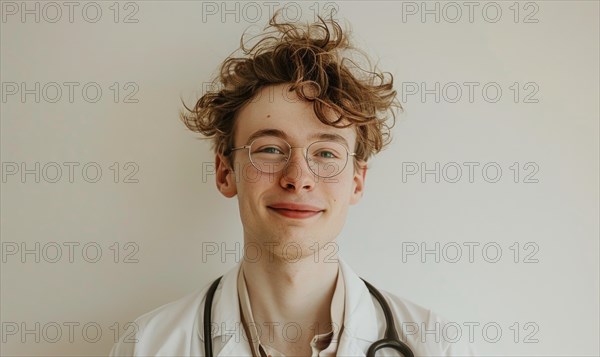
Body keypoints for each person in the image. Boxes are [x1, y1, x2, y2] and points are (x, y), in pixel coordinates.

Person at [110, 11, 477, 357]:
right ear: (226, 173)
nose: (298, 178)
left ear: (357, 182)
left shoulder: (434, 345)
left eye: (326, 154)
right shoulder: (149, 345)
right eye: (270, 149)